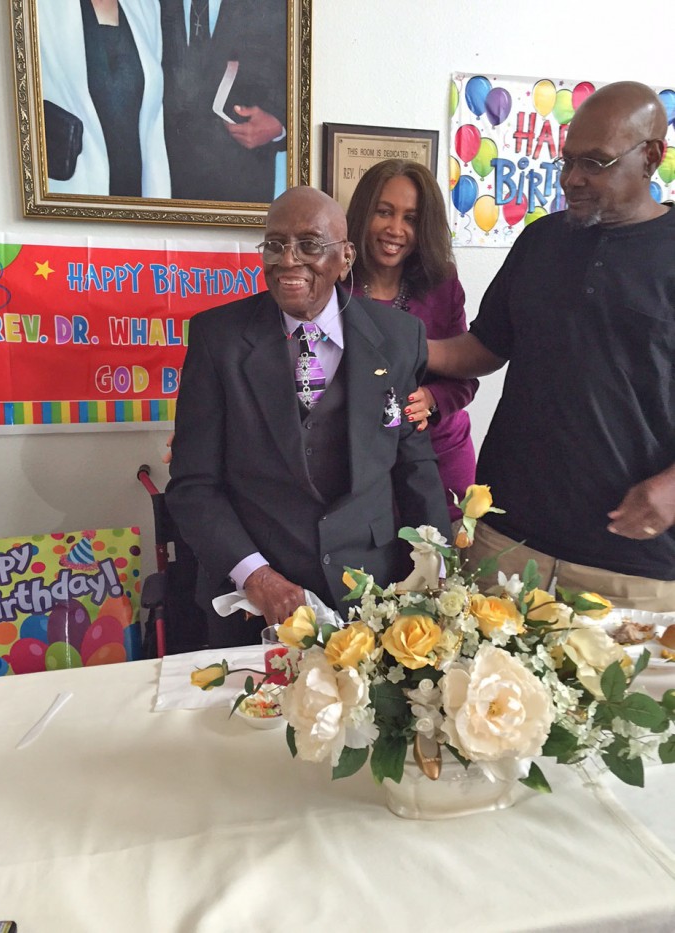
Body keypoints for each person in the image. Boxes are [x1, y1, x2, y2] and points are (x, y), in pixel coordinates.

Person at [426, 81, 675, 609]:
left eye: (595, 163)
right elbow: (486, 348)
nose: (572, 179)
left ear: (652, 156)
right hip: (505, 545)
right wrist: (397, 345)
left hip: (633, 567)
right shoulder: (541, 240)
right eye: (567, 160)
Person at [165, 186, 450, 647]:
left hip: (373, 595)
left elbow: (413, 463)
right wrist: (257, 578)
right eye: (275, 244)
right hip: (255, 599)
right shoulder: (218, 338)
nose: (287, 260)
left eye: (310, 245)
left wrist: (437, 566)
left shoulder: (399, 338)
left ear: (345, 257)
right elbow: (193, 486)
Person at [346, 159, 478, 521]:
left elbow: (466, 376)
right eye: (384, 212)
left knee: (445, 571)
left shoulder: (443, 283)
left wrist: (433, 399)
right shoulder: (334, 284)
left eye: (411, 219)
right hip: (360, 464)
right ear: (362, 214)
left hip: (441, 457)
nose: (395, 229)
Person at [39, 0, 171, 197]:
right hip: (69, 199)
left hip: (136, 199)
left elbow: (153, 123)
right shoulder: (38, 7)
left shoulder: (147, 6)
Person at [159, 0, 287, 202]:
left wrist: (280, 126)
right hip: (160, 189)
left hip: (241, 197)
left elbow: (301, 71)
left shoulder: (276, 6)